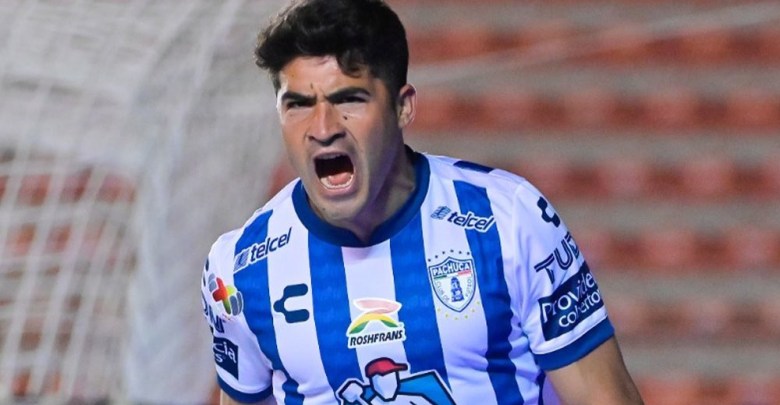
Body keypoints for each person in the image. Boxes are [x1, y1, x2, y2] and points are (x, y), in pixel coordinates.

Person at [200, 0, 645, 404]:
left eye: (348, 99)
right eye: (297, 105)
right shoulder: (239, 269)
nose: (322, 128)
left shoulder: (508, 220)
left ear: (402, 107)